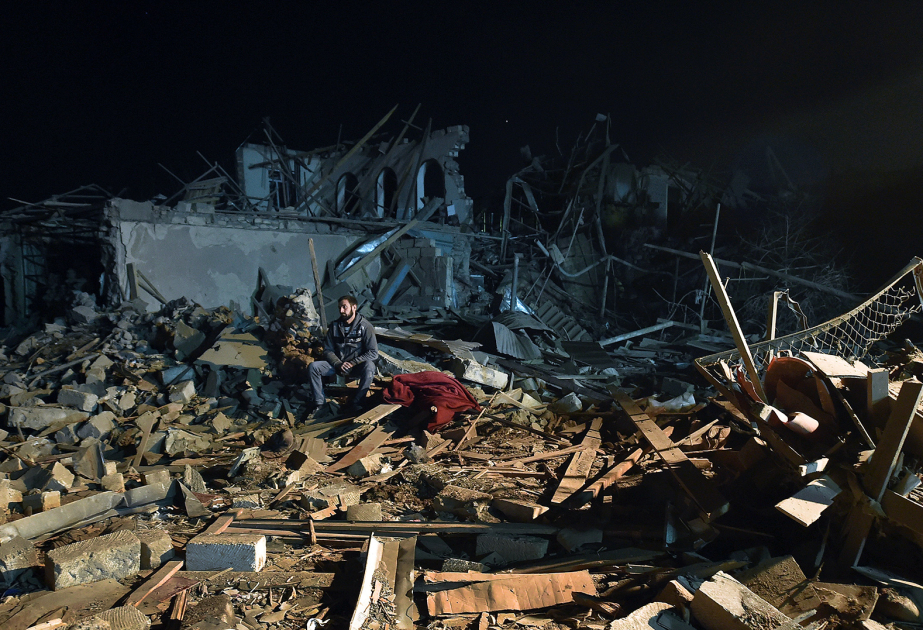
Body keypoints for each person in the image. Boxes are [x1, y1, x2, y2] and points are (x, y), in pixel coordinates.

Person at [307, 294, 378, 416]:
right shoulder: (334, 326)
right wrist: (338, 363)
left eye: (344, 307)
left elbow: (373, 353)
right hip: (338, 365)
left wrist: (353, 362)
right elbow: (327, 350)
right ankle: (320, 403)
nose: (341, 311)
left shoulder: (365, 326)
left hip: (356, 367)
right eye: (339, 307)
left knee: (370, 367)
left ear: (354, 307)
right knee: (314, 367)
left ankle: (357, 403)